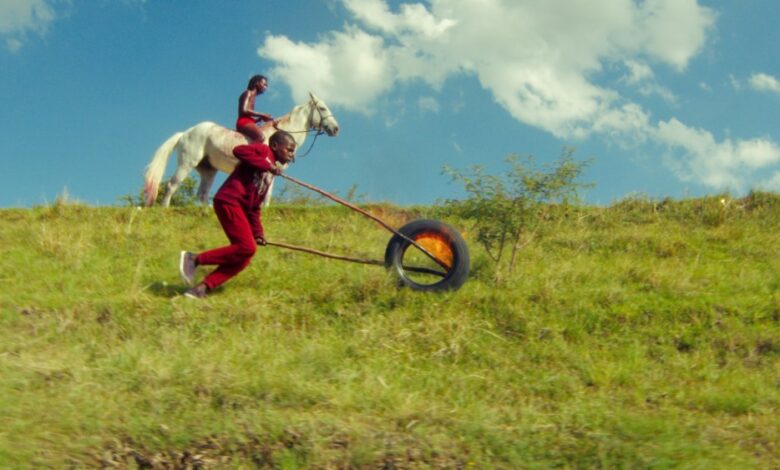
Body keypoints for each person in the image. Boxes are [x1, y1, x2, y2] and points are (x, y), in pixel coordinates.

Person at [179, 130, 297, 299]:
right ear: (275, 146)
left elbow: (255, 207)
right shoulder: (264, 152)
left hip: (240, 208)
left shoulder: (270, 174)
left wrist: (258, 233)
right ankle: (194, 259)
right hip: (229, 201)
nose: (292, 155)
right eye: (289, 149)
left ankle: (202, 288)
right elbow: (239, 151)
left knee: (245, 255)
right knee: (247, 247)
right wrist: (266, 165)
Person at [236, 74, 274, 142]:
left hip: (249, 121)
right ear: (257, 83)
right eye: (264, 84)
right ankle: (244, 152)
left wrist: (258, 119)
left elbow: (248, 115)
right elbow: (244, 110)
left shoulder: (253, 97)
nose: (265, 87)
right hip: (243, 122)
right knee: (261, 137)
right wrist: (263, 114)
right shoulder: (248, 93)